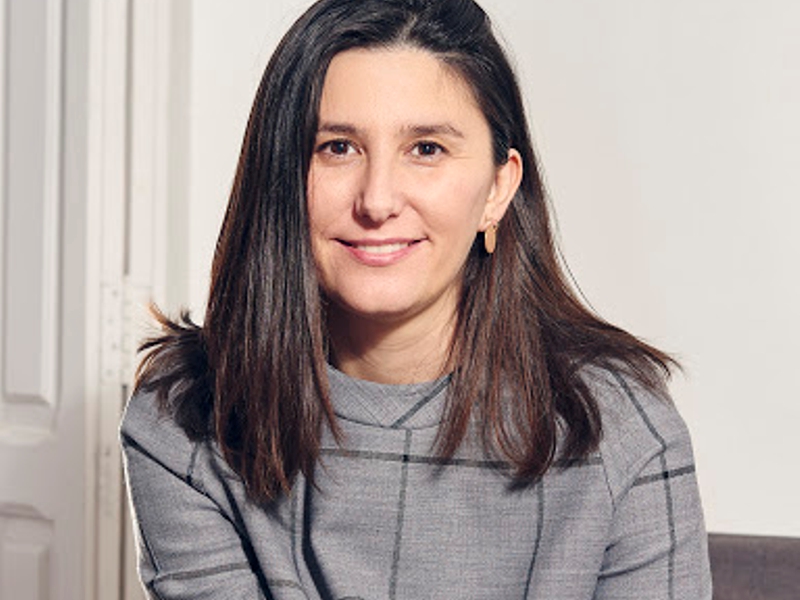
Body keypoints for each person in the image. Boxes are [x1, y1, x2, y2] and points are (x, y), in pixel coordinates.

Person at [121, 0, 712, 598]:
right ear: (280, 179)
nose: (377, 201)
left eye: (426, 148)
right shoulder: (184, 419)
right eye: (337, 147)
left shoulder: (620, 428)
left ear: (498, 188)